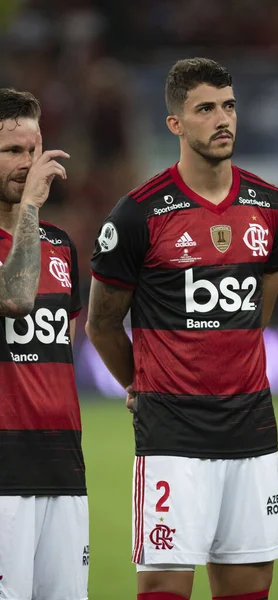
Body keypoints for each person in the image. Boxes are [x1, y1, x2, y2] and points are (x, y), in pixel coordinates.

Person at [87, 57, 278, 600]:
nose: (222, 119)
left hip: (252, 428)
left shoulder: (269, 206)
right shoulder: (138, 214)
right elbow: (102, 324)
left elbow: (257, 314)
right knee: (164, 588)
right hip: (173, 434)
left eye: (228, 105)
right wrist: (141, 384)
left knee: (249, 587)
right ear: (175, 123)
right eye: (205, 109)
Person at [0, 88, 88, 600]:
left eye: (34, 150)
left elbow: (60, 351)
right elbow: (14, 298)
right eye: (13, 151)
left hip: (62, 465)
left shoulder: (58, 246)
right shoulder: (37, 227)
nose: (30, 164)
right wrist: (30, 206)